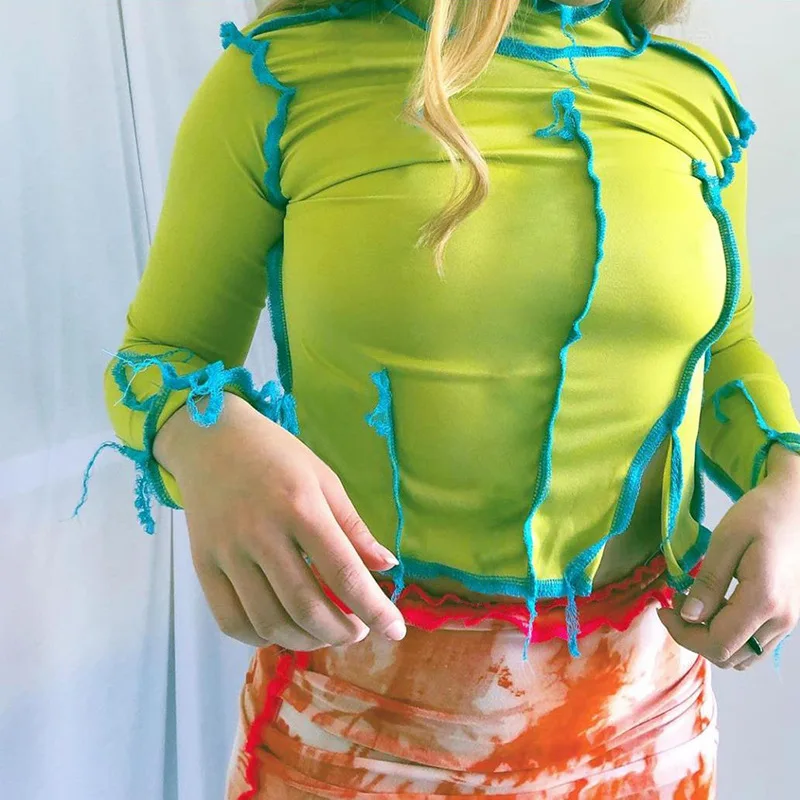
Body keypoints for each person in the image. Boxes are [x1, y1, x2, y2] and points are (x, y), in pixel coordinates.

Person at [77, 0, 800, 796]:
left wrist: (791, 482)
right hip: (354, 738)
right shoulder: (278, 78)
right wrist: (201, 437)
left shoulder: (693, 94)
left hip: (652, 732)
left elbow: (722, 347)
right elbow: (159, 356)